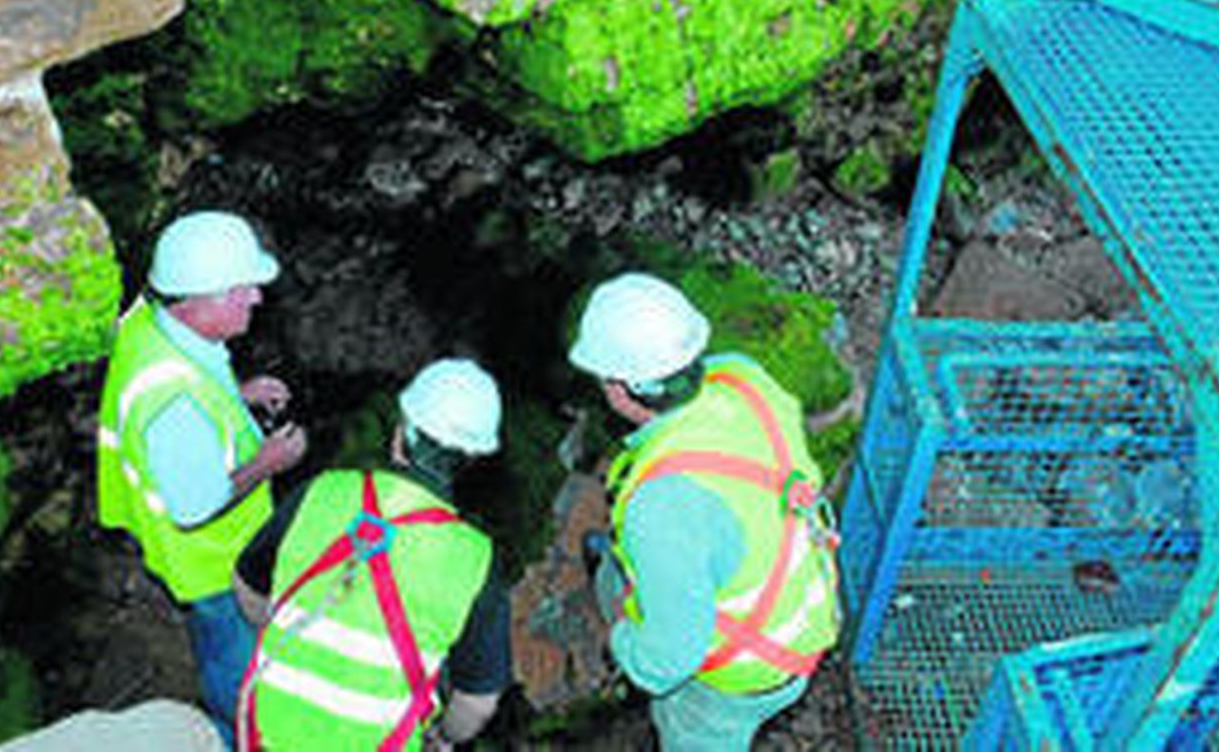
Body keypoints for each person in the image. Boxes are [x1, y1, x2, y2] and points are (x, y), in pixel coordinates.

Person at [568, 273, 840, 751]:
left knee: (691, 728)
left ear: (619, 388)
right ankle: (616, 574)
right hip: (802, 601)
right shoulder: (741, 376)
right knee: (631, 568)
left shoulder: (661, 509)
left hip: (747, 670)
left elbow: (668, 661)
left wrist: (622, 646)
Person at [98, 211, 309, 744]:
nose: (257, 300)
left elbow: (189, 376)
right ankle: (236, 733)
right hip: (212, 567)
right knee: (232, 660)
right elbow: (193, 506)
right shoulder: (174, 404)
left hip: (187, 535)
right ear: (199, 302)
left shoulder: (150, 319)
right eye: (242, 291)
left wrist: (238, 393)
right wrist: (269, 463)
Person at [232, 359, 511, 751]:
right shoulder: (475, 560)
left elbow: (246, 585)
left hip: (267, 728)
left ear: (401, 432)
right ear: (474, 459)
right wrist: (444, 738)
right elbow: (477, 704)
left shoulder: (320, 492)